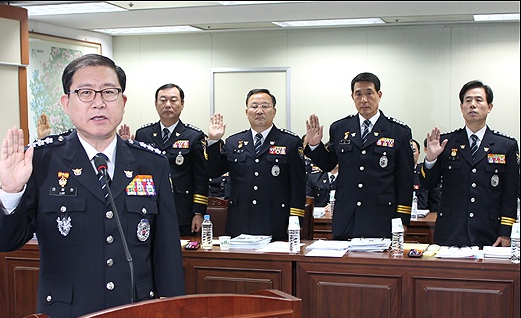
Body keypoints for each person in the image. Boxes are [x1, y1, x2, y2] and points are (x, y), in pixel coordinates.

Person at [0, 54, 185, 318]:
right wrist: (10, 190)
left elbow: (167, 252)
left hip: (136, 315)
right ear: (67, 103)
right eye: (86, 92)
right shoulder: (42, 161)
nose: (99, 102)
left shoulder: (152, 163)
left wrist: (172, 315)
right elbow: (4, 241)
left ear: (123, 102)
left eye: (109, 92)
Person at [305, 72, 414, 240]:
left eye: (369, 93)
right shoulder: (340, 128)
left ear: (379, 95)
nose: (364, 99)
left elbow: (405, 180)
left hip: (382, 216)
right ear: (352, 96)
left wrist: (402, 219)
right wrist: (314, 145)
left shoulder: (398, 131)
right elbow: (329, 165)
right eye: (358, 94)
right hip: (347, 216)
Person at [420, 80, 519, 247]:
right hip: (451, 232)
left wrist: (506, 233)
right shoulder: (446, 142)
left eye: (479, 100)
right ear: (461, 108)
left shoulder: (506, 145)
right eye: (468, 100)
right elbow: (428, 183)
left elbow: (511, 194)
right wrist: (431, 159)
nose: (473, 105)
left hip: (490, 233)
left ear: (490, 107)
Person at [207, 88, 306, 240]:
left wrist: (295, 220)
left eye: (265, 106)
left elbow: (298, 185)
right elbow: (213, 171)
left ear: (274, 111)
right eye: (254, 106)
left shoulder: (290, 142)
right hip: (240, 221)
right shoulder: (233, 142)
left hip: (276, 221)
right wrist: (213, 141)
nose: (259, 111)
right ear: (247, 112)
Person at [119, 83, 209, 237]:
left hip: (181, 210)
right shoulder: (143, 134)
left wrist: (198, 213)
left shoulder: (194, 136)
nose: (168, 105)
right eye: (163, 100)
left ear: (182, 104)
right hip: (148, 208)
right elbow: (136, 174)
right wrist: (124, 148)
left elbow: (201, 178)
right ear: (156, 104)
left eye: (173, 100)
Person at [412, 139, 441, 212]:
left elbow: (434, 201)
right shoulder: (398, 173)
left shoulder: (425, 172)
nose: (410, 154)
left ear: (419, 152)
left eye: (413, 151)